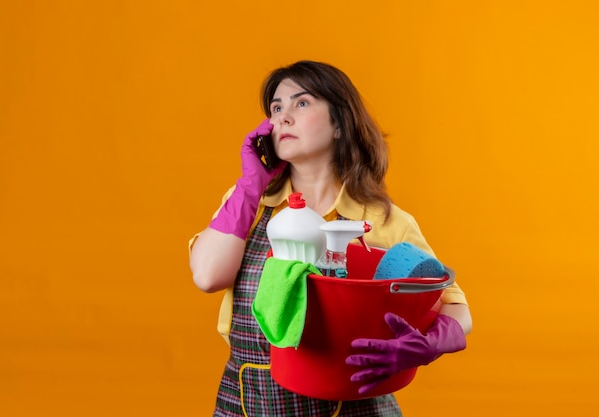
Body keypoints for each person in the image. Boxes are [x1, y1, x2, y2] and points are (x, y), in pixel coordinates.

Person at [189, 60, 472, 416]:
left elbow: (457, 307)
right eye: (276, 108)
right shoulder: (250, 204)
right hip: (250, 403)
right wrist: (250, 184)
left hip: (354, 404)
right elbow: (208, 276)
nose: (284, 117)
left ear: (339, 124)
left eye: (301, 103)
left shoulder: (382, 220)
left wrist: (429, 344)